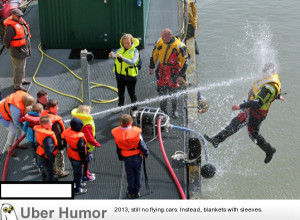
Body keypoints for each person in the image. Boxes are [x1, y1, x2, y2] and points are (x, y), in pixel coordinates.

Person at [204, 63, 285, 164]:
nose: (262, 72)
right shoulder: (268, 79)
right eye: (263, 70)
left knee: (253, 134)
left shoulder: (269, 87)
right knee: (235, 123)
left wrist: (240, 106)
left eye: (265, 71)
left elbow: (258, 103)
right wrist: (277, 96)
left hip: (257, 113)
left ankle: (269, 150)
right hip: (250, 108)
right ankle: (216, 140)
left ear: (271, 73)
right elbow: (270, 93)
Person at [149, 28, 189, 119]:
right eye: (161, 36)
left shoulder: (179, 46)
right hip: (162, 70)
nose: (161, 38)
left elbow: (185, 61)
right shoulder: (160, 42)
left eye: (163, 37)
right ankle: (163, 110)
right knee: (161, 91)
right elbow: (154, 54)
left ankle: (174, 111)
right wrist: (151, 66)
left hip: (173, 72)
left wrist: (181, 75)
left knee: (173, 93)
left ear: (170, 37)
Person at [111, 114, 149, 199]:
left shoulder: (117, 134)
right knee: (137, 173)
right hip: (136, 156)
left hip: (126, 157)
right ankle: (137, 191)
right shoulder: (136, 133)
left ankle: (130, 191)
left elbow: (118, 148)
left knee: (130, 175)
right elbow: (141, 145)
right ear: (131, 122)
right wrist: (146, 153)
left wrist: (120, 157)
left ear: (120, 123)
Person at [109, 34, 140, 116]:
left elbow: (132, 62)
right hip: (119, 75)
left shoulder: (135, 51)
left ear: (132, 42)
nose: (126, 44)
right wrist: (111, 55)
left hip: (130, 76)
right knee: (120, 92)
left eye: (128, 43)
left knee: (132, 94)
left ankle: (134, 109)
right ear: (122, 43)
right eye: (124, 43)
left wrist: (122, 58)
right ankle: (120, 106)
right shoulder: (120, 50)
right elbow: (114, 57)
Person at [3, 8, 31, 92]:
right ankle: (17, 85)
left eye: (21, 16)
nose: (20, 17)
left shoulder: (19, 21)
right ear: (13, 16)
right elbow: (6, 40)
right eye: (18, 16)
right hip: (17, 51)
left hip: (23, 49)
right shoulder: (10, 27)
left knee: (22, 66)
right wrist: (11, 48)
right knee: (18, 68)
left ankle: (21, 80)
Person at [40, 99, 69, 177]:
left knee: (52, 158)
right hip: (56, 144)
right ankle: (60, 172)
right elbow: (58, 134)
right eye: (56, 107)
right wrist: (61, 144)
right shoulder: (55, 122)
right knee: (59, 158)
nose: (58, 108)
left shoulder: (44, 115)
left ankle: (54, 169)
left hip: (48, 143)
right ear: (51, 108)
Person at [0, 90, 34, 157]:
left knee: (19, 127)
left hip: (8, 111)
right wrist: (26, 131)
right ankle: (9, 148)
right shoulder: (16, 110)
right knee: (13, 130)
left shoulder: (25, 97)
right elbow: (17, 123)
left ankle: (17, 143)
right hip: (2, 115)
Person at [71, 105, 100, 182]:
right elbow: (89, 137)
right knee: (86, 161)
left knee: (83, 160)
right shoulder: (87, 124)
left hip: (78, 143)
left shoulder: (76, 119)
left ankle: (85, 172)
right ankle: (85, 176)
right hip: (86, 146)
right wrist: (96, 143)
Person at [62, 118, 88, 195]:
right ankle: (77, 189)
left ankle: (77, 182)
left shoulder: (67, 132)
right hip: (78, 157)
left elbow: (64, 141)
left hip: (71, 153)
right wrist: (84, 161)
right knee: (79, 173)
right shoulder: (79, 139)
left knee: (76, 170)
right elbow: (82, 152)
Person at [34, 115, 57, 181]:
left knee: (45, 169)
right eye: (50, 123)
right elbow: (48, 151)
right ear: (45, 125)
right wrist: (52, 160)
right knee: (50, 173)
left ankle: (43, 179)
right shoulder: (47, 138)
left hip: (40, 154)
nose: (52, 124)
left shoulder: (39, 132)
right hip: (45, 157)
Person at [23, 103, 44, 171]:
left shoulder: (28, 118)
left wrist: (28, 134)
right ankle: (41, 166)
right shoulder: (41, 119)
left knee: (34, 151)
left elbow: (24, 128)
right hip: (38, 140)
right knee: (41, 152)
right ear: (40, 111)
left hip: (30, 139)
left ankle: (37, 163)